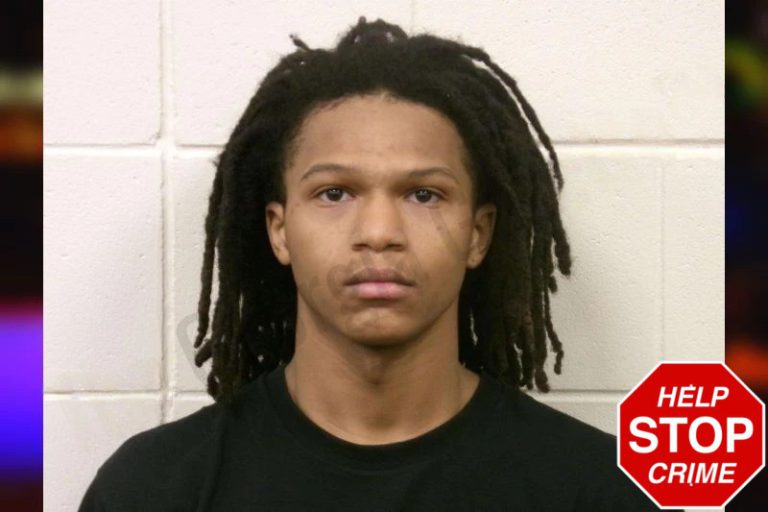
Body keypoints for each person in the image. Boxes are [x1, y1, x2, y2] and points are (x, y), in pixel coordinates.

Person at [78, 16, 677, 511]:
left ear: (478, 234)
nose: (379, 233)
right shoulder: (153, 490)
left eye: (424, 194)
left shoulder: (598, 491)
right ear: (280, 230)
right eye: (334, 192)